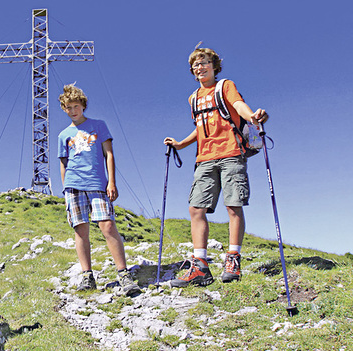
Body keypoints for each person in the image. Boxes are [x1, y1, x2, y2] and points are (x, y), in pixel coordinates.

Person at [163, 47, 269, 287]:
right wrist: (181, 144)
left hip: (231, 153)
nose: (200, 68)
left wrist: (253, 117)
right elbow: (200, 128)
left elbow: (239, 106)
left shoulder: (225, 87)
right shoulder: (193, 98)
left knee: (233, 205)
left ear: (214, 66)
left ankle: (233, 258)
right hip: (204, 158)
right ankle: (200, 266)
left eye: (205, 63)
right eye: (196, 66)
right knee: (196, 209)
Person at [57, 84, 141, 296]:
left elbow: (109, 154)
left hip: (97, 184)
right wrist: (65, 188)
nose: (73, 110)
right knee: (80, 229)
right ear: (64, 109)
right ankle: (87, 275)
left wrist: (111, 182)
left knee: (107, 226)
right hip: (74, 186)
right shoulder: (63, 135)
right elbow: (64, 163)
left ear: (83, 106)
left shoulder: (99, 125)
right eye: (68, 107)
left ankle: (123, 273)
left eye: (76, 106)